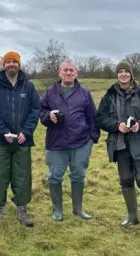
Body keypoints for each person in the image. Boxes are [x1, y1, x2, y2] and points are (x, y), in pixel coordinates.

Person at [95, 61, 140, 233]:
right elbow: (100, 118)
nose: (124, 74)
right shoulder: (109, 96)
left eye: (127, 71)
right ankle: (132, 217)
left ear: (131, 74)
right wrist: (115, 125)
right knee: (126, 181)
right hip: (120, 146)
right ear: (117, 75)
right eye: (120, 72)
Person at [0, 51, 40, 227]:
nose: (11, 64)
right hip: (0, 139)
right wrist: (3, 132)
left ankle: (22, 209)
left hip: (23, 139)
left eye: (14, 62)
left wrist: (27, 131)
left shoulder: (28, 87)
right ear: (3, 65)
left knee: (22, 175)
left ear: (19, 65)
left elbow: (35, 110)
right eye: (8, 61)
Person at [39, 60, 100, 222]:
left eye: (71, 70)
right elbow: (40, 111)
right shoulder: (50, 91)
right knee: (54, 176)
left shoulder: (85, 93)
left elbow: (92, 117)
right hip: (56, 143)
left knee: (79, 175)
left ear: (76, 73)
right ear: (59, 73)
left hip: (80, 142)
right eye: (65, 70)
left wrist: (92, 139)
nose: (68, 73)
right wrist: (47, 116)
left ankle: (78, 210)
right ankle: (57, 210)